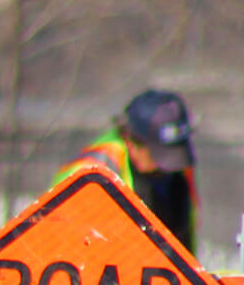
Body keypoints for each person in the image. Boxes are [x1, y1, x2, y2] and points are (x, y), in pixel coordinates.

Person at [55, 89, 198, 250]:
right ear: (131, 141)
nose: (166, 168)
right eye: (159, 155)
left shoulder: (177, 172)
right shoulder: (91, 173)